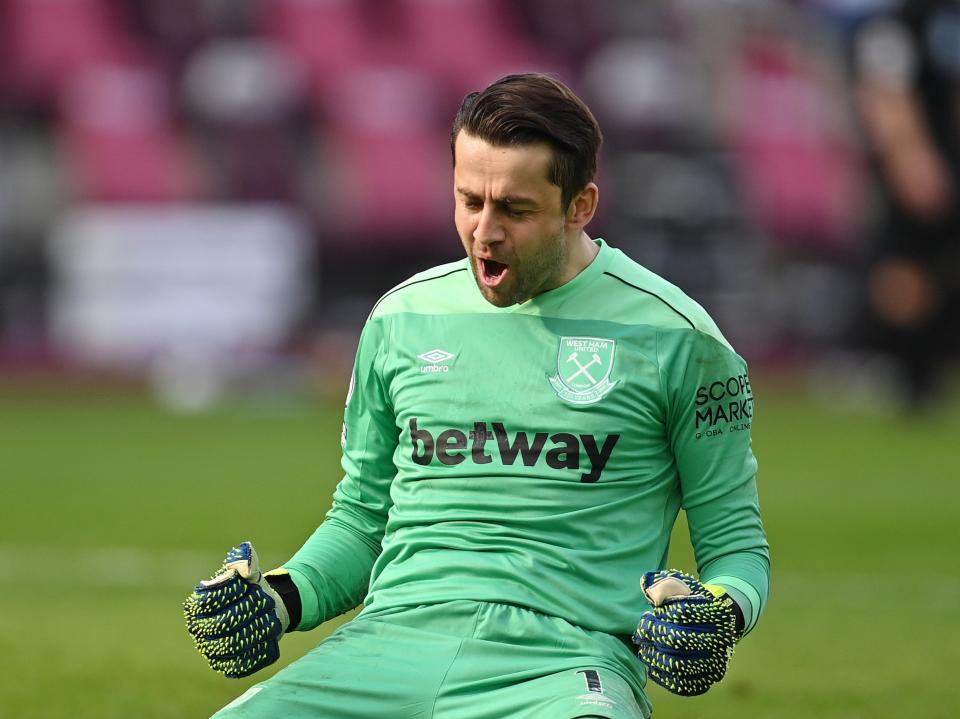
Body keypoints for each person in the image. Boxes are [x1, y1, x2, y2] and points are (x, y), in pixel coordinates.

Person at [184, 73, 770, 719]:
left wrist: (717, 612)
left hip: (560, 669)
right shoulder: (401, 318)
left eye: (515, 210)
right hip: (382, 651)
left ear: (580, 205)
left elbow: (736, 545)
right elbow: (361, 520)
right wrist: (279, 599)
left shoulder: (679, 338)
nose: (484, 233)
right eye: (469, 200)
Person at [851, 0, 960, 408]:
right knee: (906, 272)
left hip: (947, 160)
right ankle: (907, 370)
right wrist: (911, 159)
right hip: (921, 168)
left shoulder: (944, 19)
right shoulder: (894, 28)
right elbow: (886, 97)